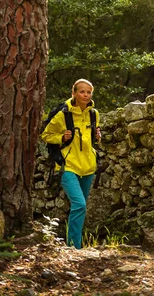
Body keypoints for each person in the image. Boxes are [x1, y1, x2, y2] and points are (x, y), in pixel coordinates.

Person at [41, 78, 101, 249]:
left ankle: (75, 245)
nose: (85, 95)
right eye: (82, 91)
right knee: (79, 204)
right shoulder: (63, 114)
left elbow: (92, 139)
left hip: (88, 166)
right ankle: (74, 247)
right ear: (73, 93)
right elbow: (45, 135)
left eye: (88, 92)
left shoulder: (94, 114)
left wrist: (98, 137)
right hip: (68, 166)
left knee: (80, 208)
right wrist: (61, 138)